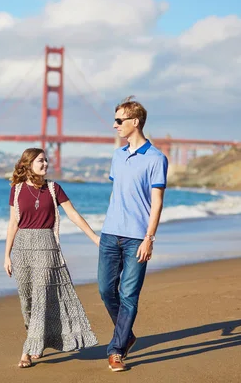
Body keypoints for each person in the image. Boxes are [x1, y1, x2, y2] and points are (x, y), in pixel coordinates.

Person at [4, 148, 100, 368]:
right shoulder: (16, 190)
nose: (46, 164)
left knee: (40, 299)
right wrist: (6, 255)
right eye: (40, 160)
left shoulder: (54, 188)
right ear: (28, 164)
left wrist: (94, 237)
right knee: (26, 302)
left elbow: (73, 214)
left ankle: (26, 351)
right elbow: (13, 224)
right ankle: (36, 340)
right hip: (21, 250)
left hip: (46, 247)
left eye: (47, 160)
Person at [99, 96, 168, 372]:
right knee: (105, 290)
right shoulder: (118, 155)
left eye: (119, 120)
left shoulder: (156, 158)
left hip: (137, 238)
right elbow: (118, 194)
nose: (115, 125)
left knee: (128, 295)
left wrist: (149, 238)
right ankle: (126, 333)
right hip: (109, 234)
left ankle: (116, 350)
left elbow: (157, 202)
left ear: (135, 122)